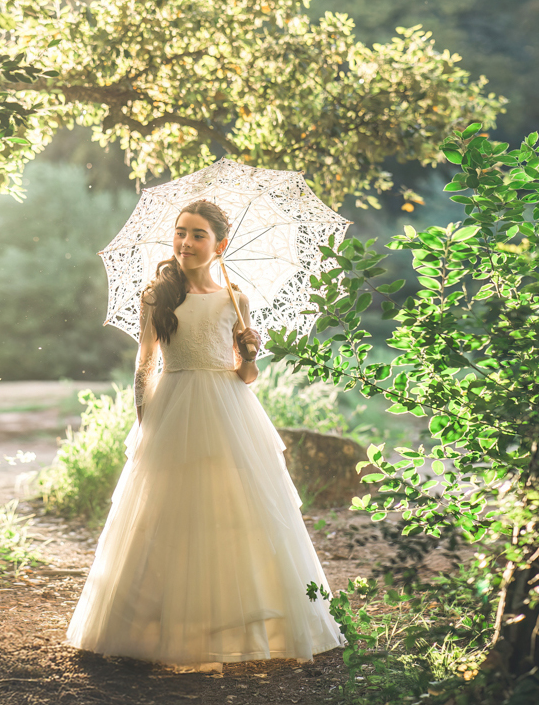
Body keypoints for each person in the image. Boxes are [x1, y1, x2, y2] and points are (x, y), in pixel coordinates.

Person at [65, 199, 346, 673]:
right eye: (180, 233)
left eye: (197, 235)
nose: (186, 243)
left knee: (237, 507)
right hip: (173, 405)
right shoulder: (157, 295)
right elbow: (145, 363)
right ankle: (155, 626)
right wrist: (144, 419)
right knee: (165, 510)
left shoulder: (236, 299)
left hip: (229, 408)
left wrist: (250, 351)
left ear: (221, 245)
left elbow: (245, 377)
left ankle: (239, 623)